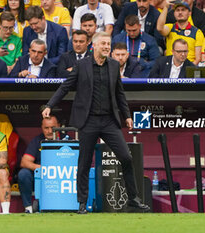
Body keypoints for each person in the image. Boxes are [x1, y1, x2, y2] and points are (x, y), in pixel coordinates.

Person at [42, 31, 150, 214]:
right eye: (104, 44)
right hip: (88, 121)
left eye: (109, 44)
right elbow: (65, 87)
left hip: (109, 121)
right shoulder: (81, 65)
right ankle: (82, 203)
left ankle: (133, 199)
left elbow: (119, 94)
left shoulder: (114, 66)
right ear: (95, 46)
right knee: (84, 163)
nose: (107, 47)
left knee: (126, 157)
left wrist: (127, 116)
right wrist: (50, 105)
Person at [18, 115, 60, 213]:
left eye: (53, 128)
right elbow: (24, 162)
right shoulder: (37, 140)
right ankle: (28, 208)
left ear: (59, 126)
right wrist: (43, 169)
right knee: (23, 174)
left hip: (62, 175)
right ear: (42, 128)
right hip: (41, 175)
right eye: (46, 128)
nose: (50, 131)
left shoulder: (68, 140)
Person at [157, 0, 204, 65]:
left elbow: (198, 59)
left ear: (189, 13)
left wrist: (187, 70)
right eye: (177, 10)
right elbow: (159, 28)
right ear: (174, 13)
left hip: (188, 67)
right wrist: (165, 8)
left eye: (183, 10)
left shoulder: (197, 32)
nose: (180, 12)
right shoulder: (170, 28)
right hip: (170, 67)